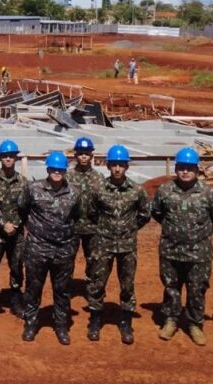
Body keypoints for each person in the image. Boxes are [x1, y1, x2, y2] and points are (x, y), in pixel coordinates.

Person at [151, 147, 213, 345]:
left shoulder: (208, 193)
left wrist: (201, 235)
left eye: (189, 168)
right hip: (171, 250)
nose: (185, 171)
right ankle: (171, 320)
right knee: (171, 288)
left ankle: (195, 324)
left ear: (197, 170)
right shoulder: (164, 191)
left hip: (199, 253)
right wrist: (175, 232)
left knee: (197, 289)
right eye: (181, 168)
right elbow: (157, 213)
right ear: (176, 169)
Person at [84, 144, 150, 344]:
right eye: (114, 165)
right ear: (108, 166)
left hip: (127, 246)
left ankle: (126, 321)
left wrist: (129, 229)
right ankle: (95, 320)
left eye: (121, 165)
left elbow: (144, 214)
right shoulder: (98, 189)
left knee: (127, 285)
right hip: (103, 244)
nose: (118, 169)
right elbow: (91, 212)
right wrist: (106, 229)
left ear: (127, 167)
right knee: (97, 283)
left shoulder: (136, 190)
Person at [20, 151, 80, 345]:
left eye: (60, 169)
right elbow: (22, 209)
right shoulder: (33, 189)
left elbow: (78, 216)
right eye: (53, 169)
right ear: (47, 169)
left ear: (65, 170)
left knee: (62, 290)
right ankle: (31, 323)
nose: (56, 172)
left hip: (64, 250)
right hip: (38, 248)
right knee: (33, 288)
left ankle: (61, 325)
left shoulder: (74, 191)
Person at [0, 139, 28, 317]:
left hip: (16, 233)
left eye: (11, 156)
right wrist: (2, 223)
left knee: (16, 266)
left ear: (15, 158)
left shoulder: (23, 182)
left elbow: (25, 207)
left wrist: (14, 224)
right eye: (5, 156)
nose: (8, 159)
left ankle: (15, 297)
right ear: (0, 158)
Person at [66, 137, 105, 292]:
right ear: (76, 155)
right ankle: (65, 290)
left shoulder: (99, 178)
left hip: (93, 227)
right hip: (72, 226)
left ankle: (92, 290)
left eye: (86, 153)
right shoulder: (67, 177)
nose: (83, 156)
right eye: (81, 153)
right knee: (67, 260)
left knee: (94, 261)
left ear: (91, 156)